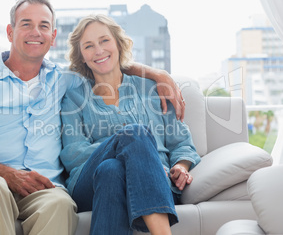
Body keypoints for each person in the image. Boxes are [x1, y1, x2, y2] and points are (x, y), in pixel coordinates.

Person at [0, 0, 185, 235]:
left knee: (64, 202)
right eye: (26, 24)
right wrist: (8, 174)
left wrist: (157, 74)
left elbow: (102, 62)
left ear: (53, 37)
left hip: (42, 189)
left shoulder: (64, 79)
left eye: (43, 26)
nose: (36, 32)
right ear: (10, 32)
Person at [60, 14, 201, 235]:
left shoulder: (153, 89)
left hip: (157, 181)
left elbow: (181, 142)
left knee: (111, 170)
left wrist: (180, 167)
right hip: (87, 183)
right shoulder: (74, 97)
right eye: (88, 46)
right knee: (133, 134)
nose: (98, 50)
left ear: (118, 43)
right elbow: (73, 153)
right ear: (81, 56)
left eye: (104, 40)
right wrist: (124, 147)